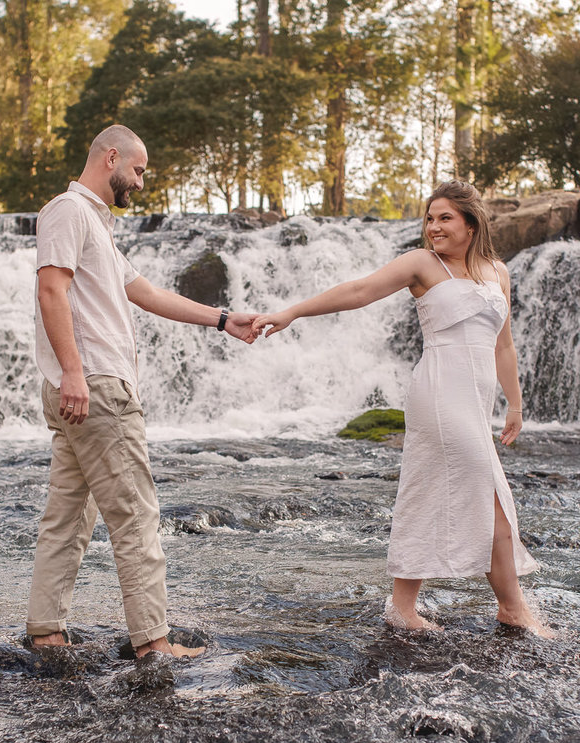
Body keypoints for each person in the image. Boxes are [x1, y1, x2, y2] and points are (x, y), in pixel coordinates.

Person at [252, 181, 546, 635]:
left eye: (444, 218)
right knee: (492, 502)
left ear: (471, 222)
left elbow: (503, 345)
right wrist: (292, 312)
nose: (434, 227)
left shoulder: (498, 272)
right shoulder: (421, 264)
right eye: (430, 218)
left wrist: (516, 405)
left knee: (432, 489)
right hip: (439, 392)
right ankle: (511, 608)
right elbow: (359, 290)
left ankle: (404, 606)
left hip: (477, 401)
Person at [28, 124, 260, 657]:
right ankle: (154, 643)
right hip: (97, 387)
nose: (139, 181)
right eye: (137, 170)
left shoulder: (96, 226)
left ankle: (46, 631)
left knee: (69, 515)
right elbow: (51, 288)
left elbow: (148, 293)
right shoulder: (67, 210)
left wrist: (224, 320)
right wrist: (74, 372)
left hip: (86, 387)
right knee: (135, 515)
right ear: (111, 157)